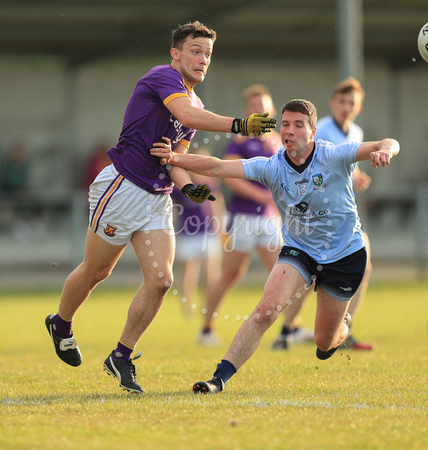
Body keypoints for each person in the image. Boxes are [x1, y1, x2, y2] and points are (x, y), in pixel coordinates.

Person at [44, 20, 276, 394]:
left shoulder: (196, 103)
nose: (202, 59)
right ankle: (61, 322)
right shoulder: (162, 78)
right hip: (122, 187)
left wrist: (190, 190)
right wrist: (239, 124)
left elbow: (175, 157)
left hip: (157, 197)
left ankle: (121, 356)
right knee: (96, 271)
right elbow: (185, 116)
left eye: (208, 54)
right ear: (176, 54)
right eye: (196, 51)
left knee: (162, 281)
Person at [152, 98, 400, 394]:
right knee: (265, 311)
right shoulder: (271, 167)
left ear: (313, 131)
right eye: (285, 124)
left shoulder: (334, 156)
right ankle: (218, 379)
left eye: (298, 125)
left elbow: (389, 141)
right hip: (300, 252)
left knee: (324, 342)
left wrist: (385, 150)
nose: (290, 131)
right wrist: (175, 159)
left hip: (345, 254)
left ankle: (343, 325)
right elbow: (218, 167)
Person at [198, 84, 312, 347]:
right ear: (247, 111)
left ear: (271, 109)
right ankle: (206, 329)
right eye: (253, 107)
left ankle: (290, 328)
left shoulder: (276, 140)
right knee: (231, 275)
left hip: (269, 219)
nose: (259, 110)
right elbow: (230, 176)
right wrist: (261, 195)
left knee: (287, 273)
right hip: (242, 219)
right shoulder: (239, 140)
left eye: (263, 106)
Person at [313, 76, 374, 351]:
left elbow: (346, 165)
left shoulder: (357, 133)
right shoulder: (321, 130)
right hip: (318, 213)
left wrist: (357, 176)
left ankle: (345, 328)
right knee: (307, 276)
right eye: (342, 101)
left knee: (365, 265)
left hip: (343, 214)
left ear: (358, 107)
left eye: (352, 103)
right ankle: (286, 332)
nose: (346, 106)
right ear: (332, 103)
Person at [171, 145, 224, 317]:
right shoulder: (182, 185)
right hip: (188, 233)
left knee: (211, 272)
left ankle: (208, 305)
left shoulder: (210, 184)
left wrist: (221, 230)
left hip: (208, 233)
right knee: (189, 273)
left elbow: (217, 207)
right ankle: (187, 307)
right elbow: (173, 208)